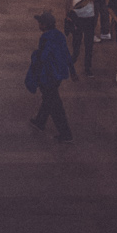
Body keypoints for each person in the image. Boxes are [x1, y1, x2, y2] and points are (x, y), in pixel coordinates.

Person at [27, 10, 75, 142]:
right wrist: (72, 71)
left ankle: (66, 134)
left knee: (54, 103)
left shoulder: (45, 38)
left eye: (40, 23)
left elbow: (43, 57)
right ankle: (40, 121)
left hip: (48, 75)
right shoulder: (59, 35)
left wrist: (35, 63)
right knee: (49, 98)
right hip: (58, 74)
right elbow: (66, 53)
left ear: (44, 25)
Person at [65, 0, 98, 76]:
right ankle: (72, 61)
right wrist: (67, 15)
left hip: (89, 17)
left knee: (89, 45)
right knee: (76, 43)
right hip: (77, 18)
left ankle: (88, 68)